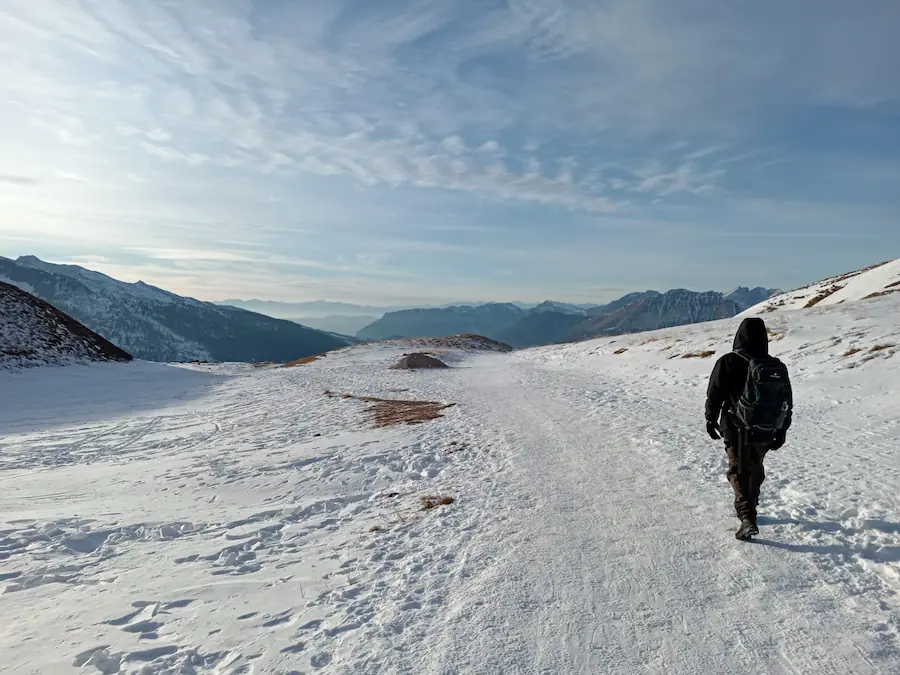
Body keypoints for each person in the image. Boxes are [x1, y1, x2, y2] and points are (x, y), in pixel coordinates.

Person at [705, 317, 792, 540]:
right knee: (755, 467)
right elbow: (787, 400)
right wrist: (782, 430)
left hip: (736, 427)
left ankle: (747, 518)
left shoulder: (728, 361)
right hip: (766, 428)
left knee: (739, 470)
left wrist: (710, 419)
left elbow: (715, 394)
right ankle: (752, 507)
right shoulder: (774, 365)